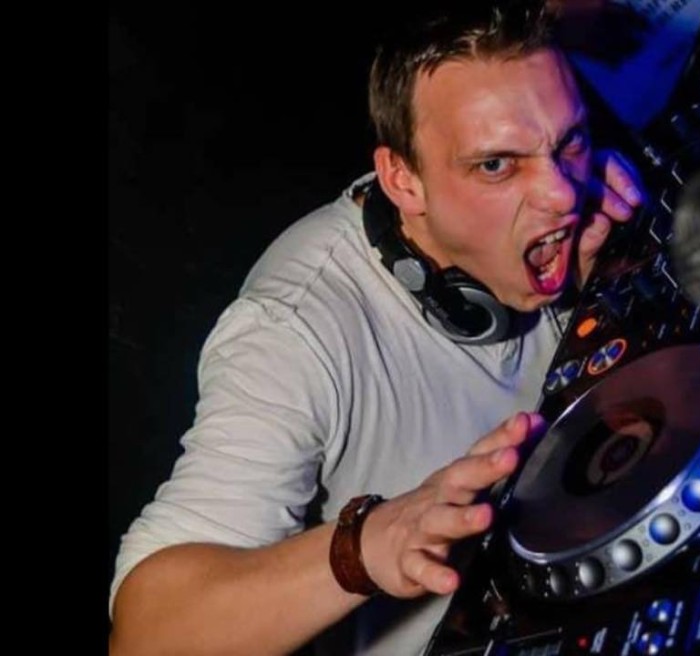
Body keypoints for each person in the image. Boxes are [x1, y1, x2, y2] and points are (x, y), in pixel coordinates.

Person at [108, 1, 644, 654]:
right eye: (495, 165)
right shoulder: (293, 333)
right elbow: (147, 634)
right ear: (402, 181)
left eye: (569, 143)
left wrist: (610, 282)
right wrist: (364, 547)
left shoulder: (575, 214)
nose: (561, 194)